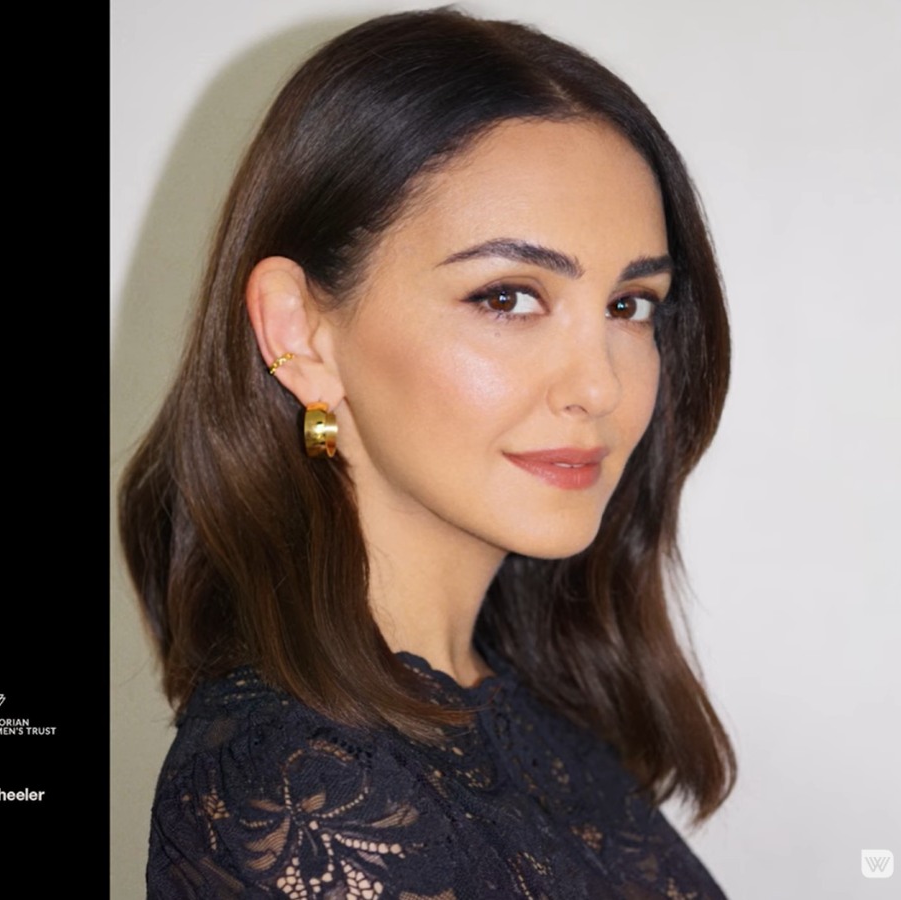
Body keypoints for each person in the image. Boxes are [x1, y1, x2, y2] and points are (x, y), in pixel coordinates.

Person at [117, 8, 736, 898]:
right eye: (508, 297)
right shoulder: (302, 787)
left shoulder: (526, 708)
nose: (599, 386)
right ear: (299, 333)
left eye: (629, 305)